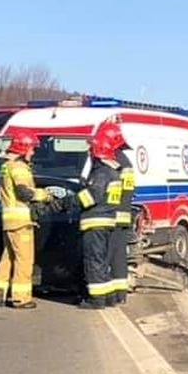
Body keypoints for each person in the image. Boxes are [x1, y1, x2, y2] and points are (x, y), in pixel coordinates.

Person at [0, 132, 53, 309]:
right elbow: (24, 192)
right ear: (23, 149)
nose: (33, 152)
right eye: (31, 149)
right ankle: (21, 298)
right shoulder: (19, 168)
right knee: (24, 260)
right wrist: (44, 195)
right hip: (21, 222)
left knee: (8, 259)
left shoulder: (7, 166)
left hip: (9, 222)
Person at [75, 125, 123, 309]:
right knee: (101, 261)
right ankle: (108, 295)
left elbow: (90, 197)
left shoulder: (101, 173)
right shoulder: (113, 172)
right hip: (107, 221)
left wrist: (65, 203)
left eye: (91, 149)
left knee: (93, 261)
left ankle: (96, 300)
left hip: (95, 222)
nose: (89, 152)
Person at [102, 121, 134, 305]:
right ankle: (120, 293)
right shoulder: (126, 162)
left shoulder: (114, 162)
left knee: (105, 256)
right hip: (123, 215)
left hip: (112, 215)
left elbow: (111, 192)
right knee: (119, 256)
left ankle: (108, 296)